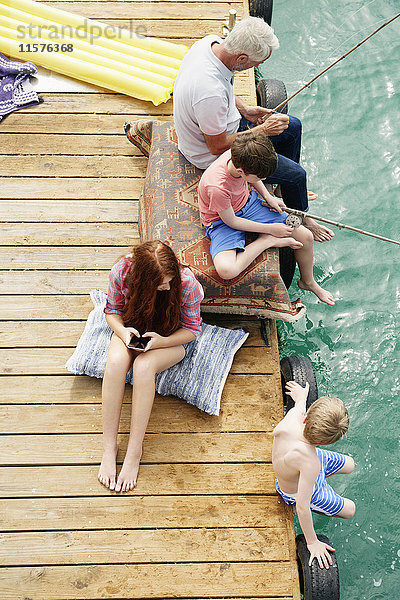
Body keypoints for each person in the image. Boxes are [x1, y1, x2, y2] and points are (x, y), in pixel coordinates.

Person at [173, 15, 333, 242]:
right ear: (241, 58)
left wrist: (245, 109)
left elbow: (223, 88)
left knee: (292, 126)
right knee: (298, 175)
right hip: (209, 153)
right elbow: (216, 147)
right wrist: (263, 131)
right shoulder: (209, 92)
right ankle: (302, 216)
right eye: (256, 63)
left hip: (223, 126)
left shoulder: (210, 45)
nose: (256, 67)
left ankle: (281, 191)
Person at [98, 241, 203, 492]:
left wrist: (162, 342)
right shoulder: (121, 271)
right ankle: (109, 447)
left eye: (169, 280)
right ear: (144, 278)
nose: (167, 286)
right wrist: (123, 333)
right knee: (115, 363)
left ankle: (135, 450)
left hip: (170, 340)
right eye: (161, 283)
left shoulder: (187, 285)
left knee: (143, 367)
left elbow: (191, 330)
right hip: (132, 329)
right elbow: (111, 312)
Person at [198, 128, 335, 305]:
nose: (261, 179)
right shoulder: (218, 187)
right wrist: (270, 231)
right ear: (241, 172)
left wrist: (269, 197)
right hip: (221, 221)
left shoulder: (238, 157)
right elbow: (231, 221)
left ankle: (308, 282)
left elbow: (253, 179)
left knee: (306, 236)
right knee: (226, 270)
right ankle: (266, 241)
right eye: (260, 176)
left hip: (247, 203)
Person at [273, 380, 356, 569]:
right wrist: (311, 542)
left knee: (350, 464)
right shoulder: (310, 464)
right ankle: (322, 502)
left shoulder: (294, 418)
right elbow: (302, 507)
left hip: (300, 461)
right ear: (326, 442)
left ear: (307, 417)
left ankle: (323, 479)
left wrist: (301, 398)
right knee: (350, 509)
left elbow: (299, 408)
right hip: (294, 490)